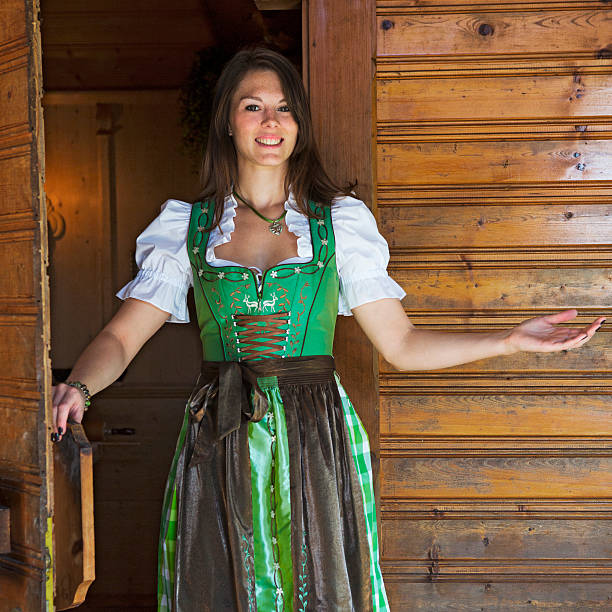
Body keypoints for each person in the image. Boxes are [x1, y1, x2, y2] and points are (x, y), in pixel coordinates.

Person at [51, 48, 604, 612]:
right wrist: (80, 386)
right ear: (227, 120)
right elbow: (122, 338)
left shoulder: (337, 222)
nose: (271, 121)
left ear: (299, 125)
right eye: (254, 106)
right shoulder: (186, 228)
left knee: (322, 585)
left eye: (285, 109)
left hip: (318, 433)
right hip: (220, 433)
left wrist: (508, 340)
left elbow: (402, 344)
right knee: (219, 583)